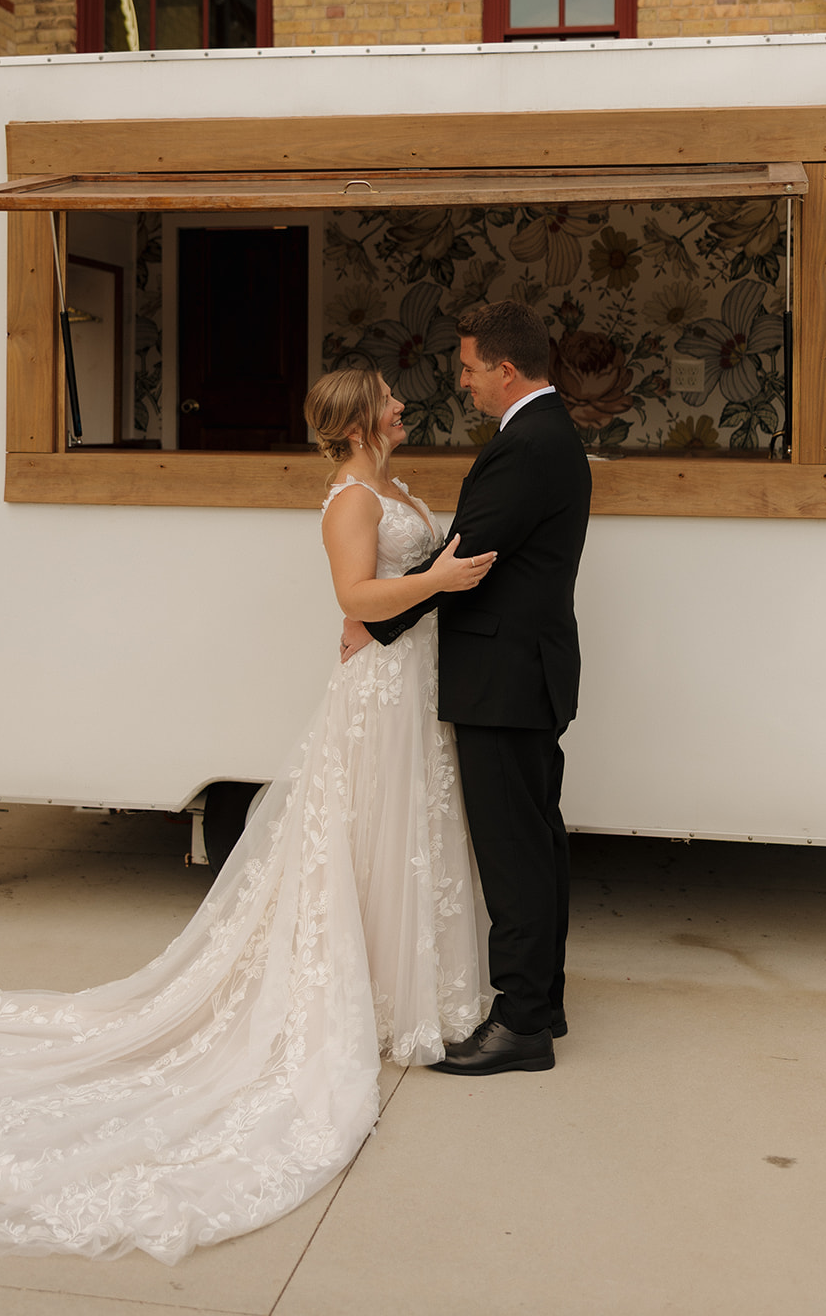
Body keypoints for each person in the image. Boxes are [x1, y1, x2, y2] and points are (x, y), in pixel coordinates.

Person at [0, 369, 493, 1264]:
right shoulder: (350, 499)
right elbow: (354, 601)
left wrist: (434, 579)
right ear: (362, 419)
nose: (407, 407)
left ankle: (401, 988)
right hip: (380, 685)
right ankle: (363, 994)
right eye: (393, 400)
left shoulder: (392, 484)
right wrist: (437, 578)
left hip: (412, 674)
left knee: (399, 834)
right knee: (366, 831)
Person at [343, 301, 592, 1075]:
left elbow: (467, 554)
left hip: (504, 676)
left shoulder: (528, 445)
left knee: (515, 851)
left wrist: (370, 625)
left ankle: (520, 1023)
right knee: (536, 842)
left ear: (505, 370)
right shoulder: (545, 435)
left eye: (468, 368)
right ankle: (539, 1001)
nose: (462, 382)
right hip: (524, 670)